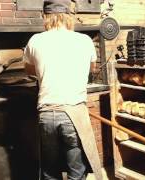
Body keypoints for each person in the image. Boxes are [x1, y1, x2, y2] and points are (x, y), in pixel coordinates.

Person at [24, 0, 103, 179]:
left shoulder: (35, 40)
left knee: (50, 171)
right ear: (69, 16)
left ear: (46, 16)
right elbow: (92, 68)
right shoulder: (84, 41)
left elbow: (30, 70)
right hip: (73, 114)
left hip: (46, 114)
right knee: (76, 170)